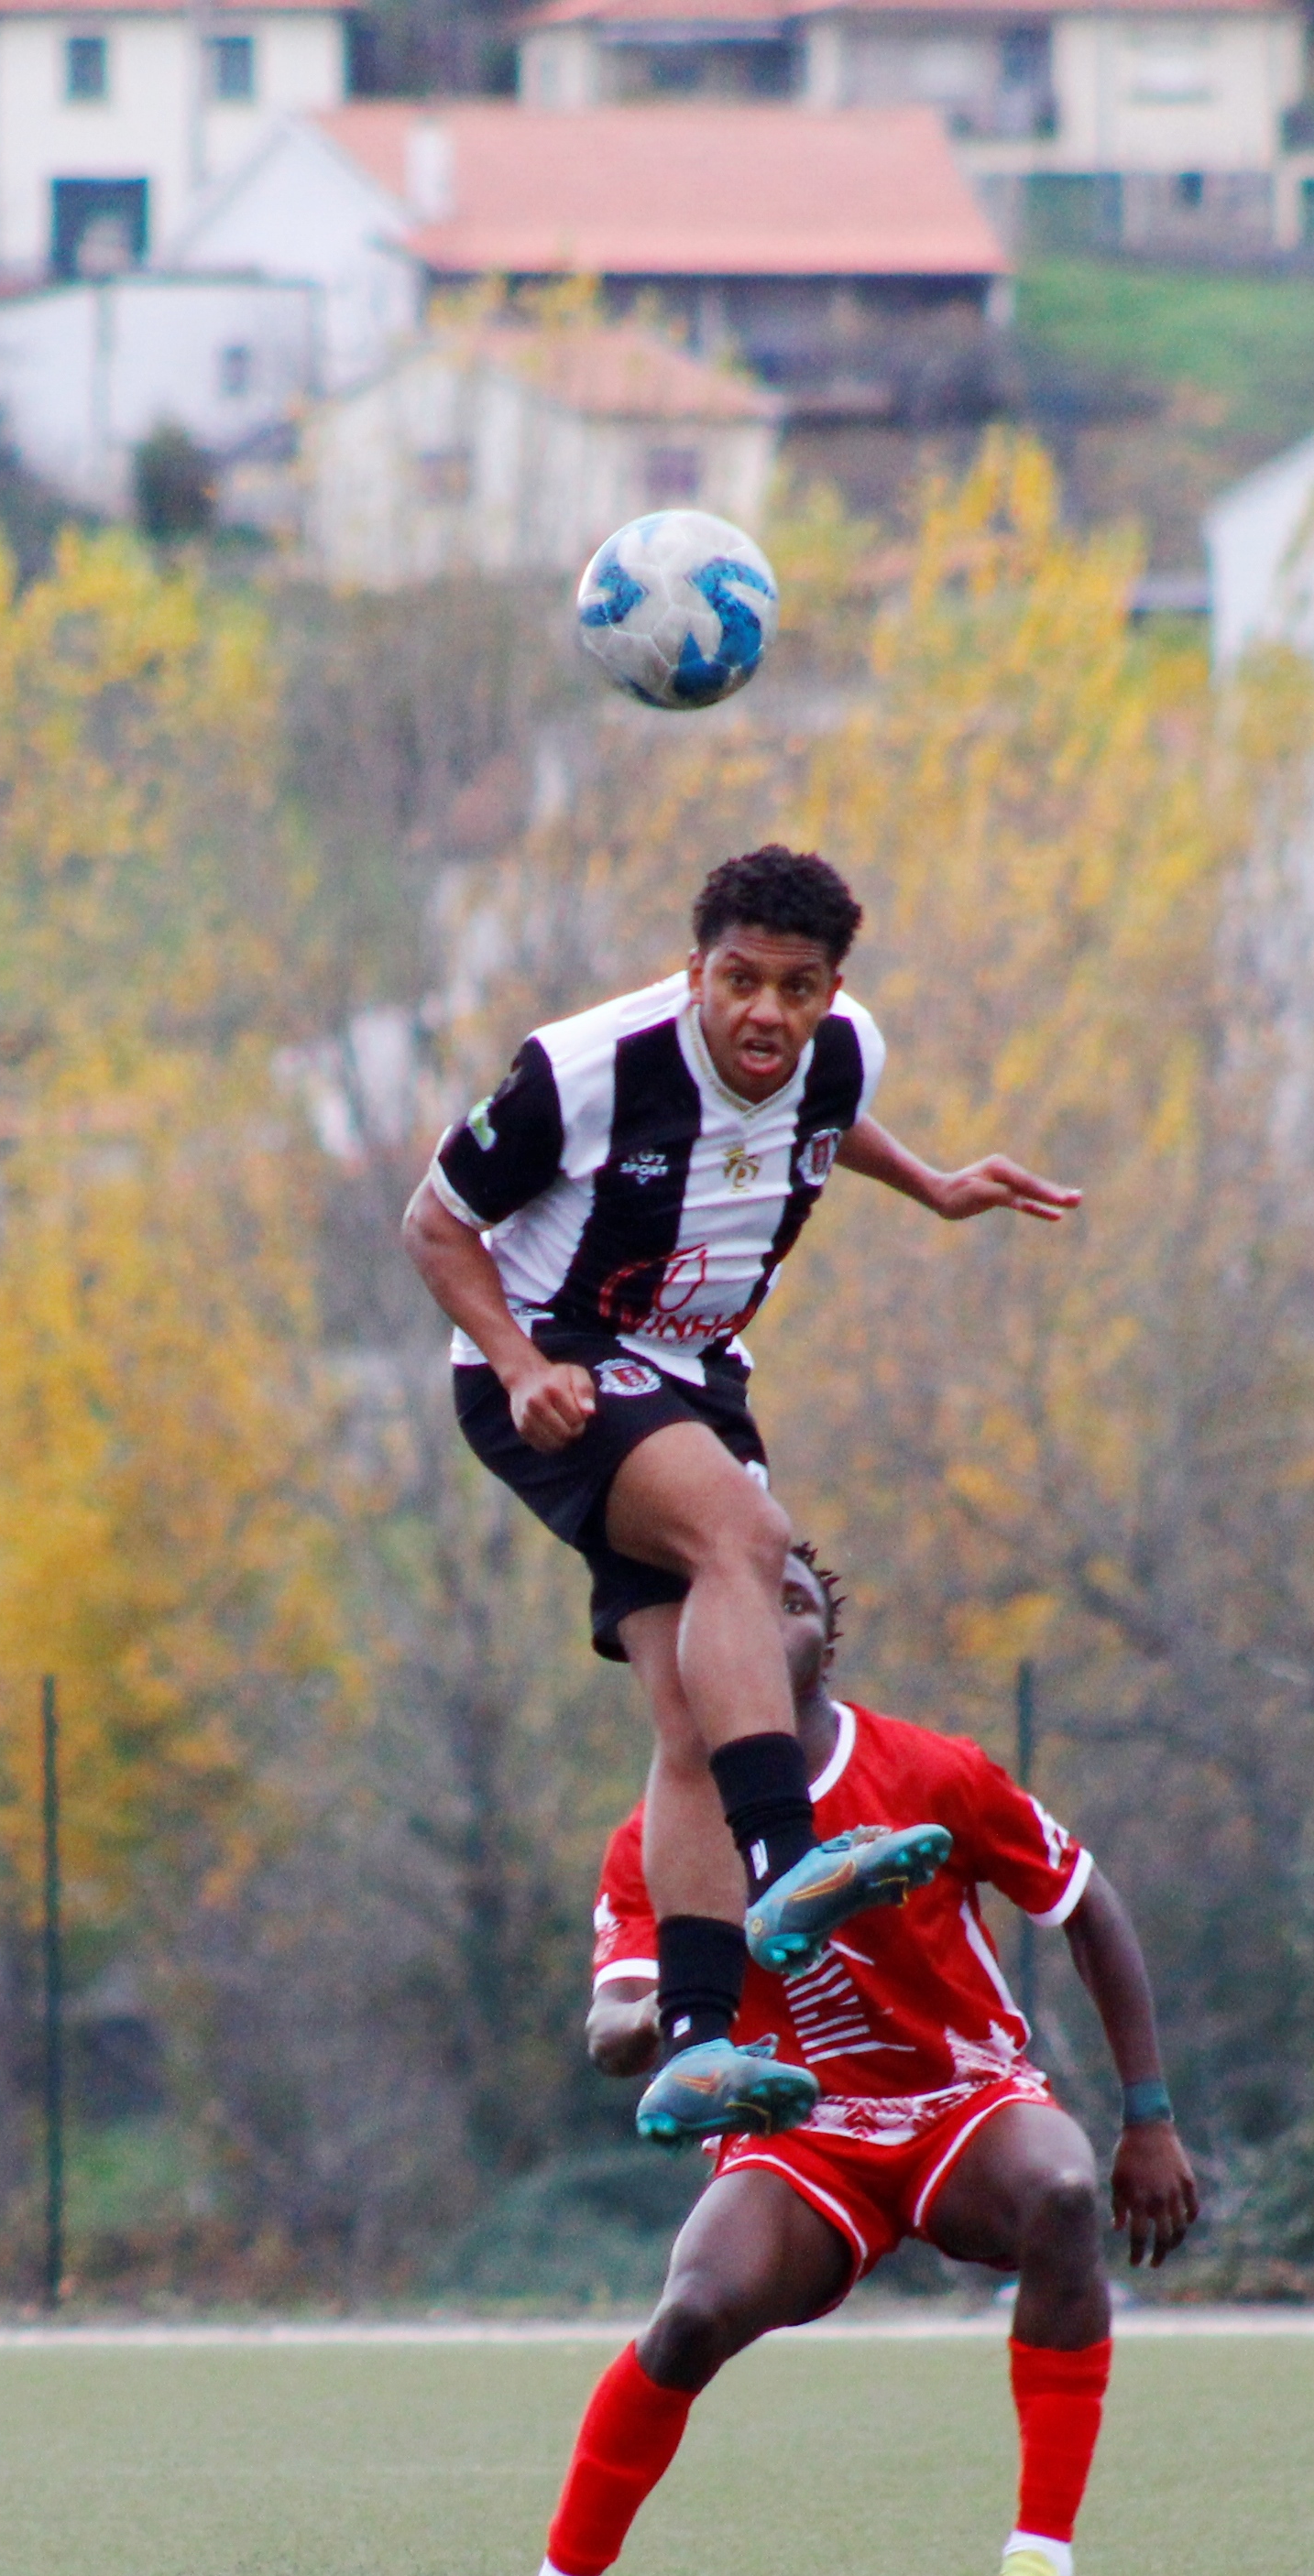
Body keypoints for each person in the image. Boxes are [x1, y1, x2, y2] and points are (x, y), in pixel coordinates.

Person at [400, 846, 1083, 2155]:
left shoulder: (840, 1053)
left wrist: (933, 1183)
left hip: (695, 1375)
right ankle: (788, 1859)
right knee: (750, 1543)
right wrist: (519, 1360)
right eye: (739, 980)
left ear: (833, 989)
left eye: (798, 985)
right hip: (560, 1367)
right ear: (692, 969)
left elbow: (821, 1123)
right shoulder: (582, 1071)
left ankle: (700, 2042)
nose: (766, 1011)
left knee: (691, 1716)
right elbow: (435, 1224)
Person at [480, 1548, 1199, 2576]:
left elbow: (1087, 1901)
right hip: (798, 2133)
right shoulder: (662, 1831)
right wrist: (684, 1987)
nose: (767, 1615)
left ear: (828, 1641)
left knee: (1061, 2191)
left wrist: (1147, 2115)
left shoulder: (932, 1772)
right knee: (693, 2309)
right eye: (740, 1603)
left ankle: (1035, 2568)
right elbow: (615, 2033)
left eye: (796, 1599)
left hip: (959, 2100)